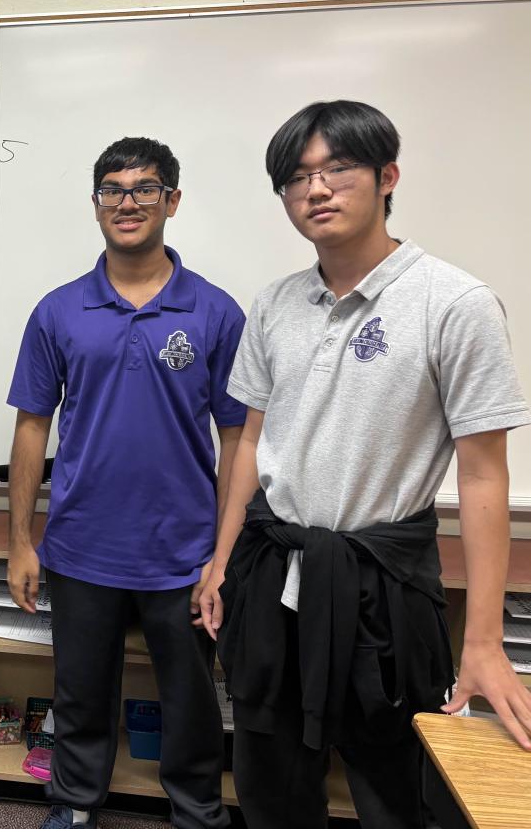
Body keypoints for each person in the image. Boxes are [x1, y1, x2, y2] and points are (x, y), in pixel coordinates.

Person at [199, 100, 531, 828]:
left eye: (338, 168)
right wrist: (221, 561)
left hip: (383, 587)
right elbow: (251, 441)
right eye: (296, 177)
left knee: (394, 791)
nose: (316, 189)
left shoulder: (456, 303)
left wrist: (484, 643)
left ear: (388, 177)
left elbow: (483, 474)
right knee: (270, 785)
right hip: (273, 572)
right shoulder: (275, 304)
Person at [6, 137, 246, 829]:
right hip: (82, 544)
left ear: (172, 200)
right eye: (113, 189)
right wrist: (21, 541)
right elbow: (32, 428)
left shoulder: (216, 312)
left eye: (144, 189)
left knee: (192, 699)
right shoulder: (58, 311)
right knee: (80, 692)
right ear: (96, 205)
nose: (128, 201)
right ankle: (75, 804)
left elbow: (238, 438)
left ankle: (197, 812)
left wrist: (223, 555)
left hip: (184, 550)